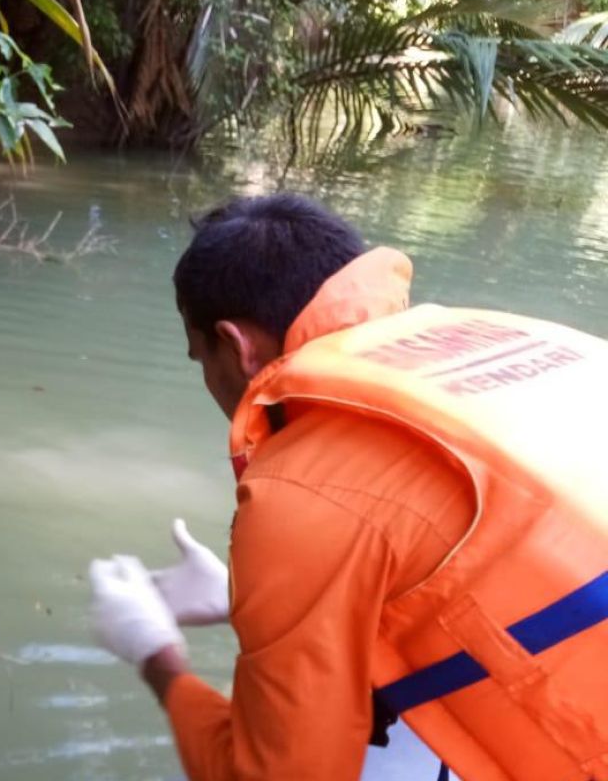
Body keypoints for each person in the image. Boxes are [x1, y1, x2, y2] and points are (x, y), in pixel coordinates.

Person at [87, 194, 608, 781]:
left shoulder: (302, 488)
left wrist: (155, 653)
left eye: (198, 357)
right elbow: (484, 555)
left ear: (235, 346)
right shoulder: (503, 344)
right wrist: (244, 597)